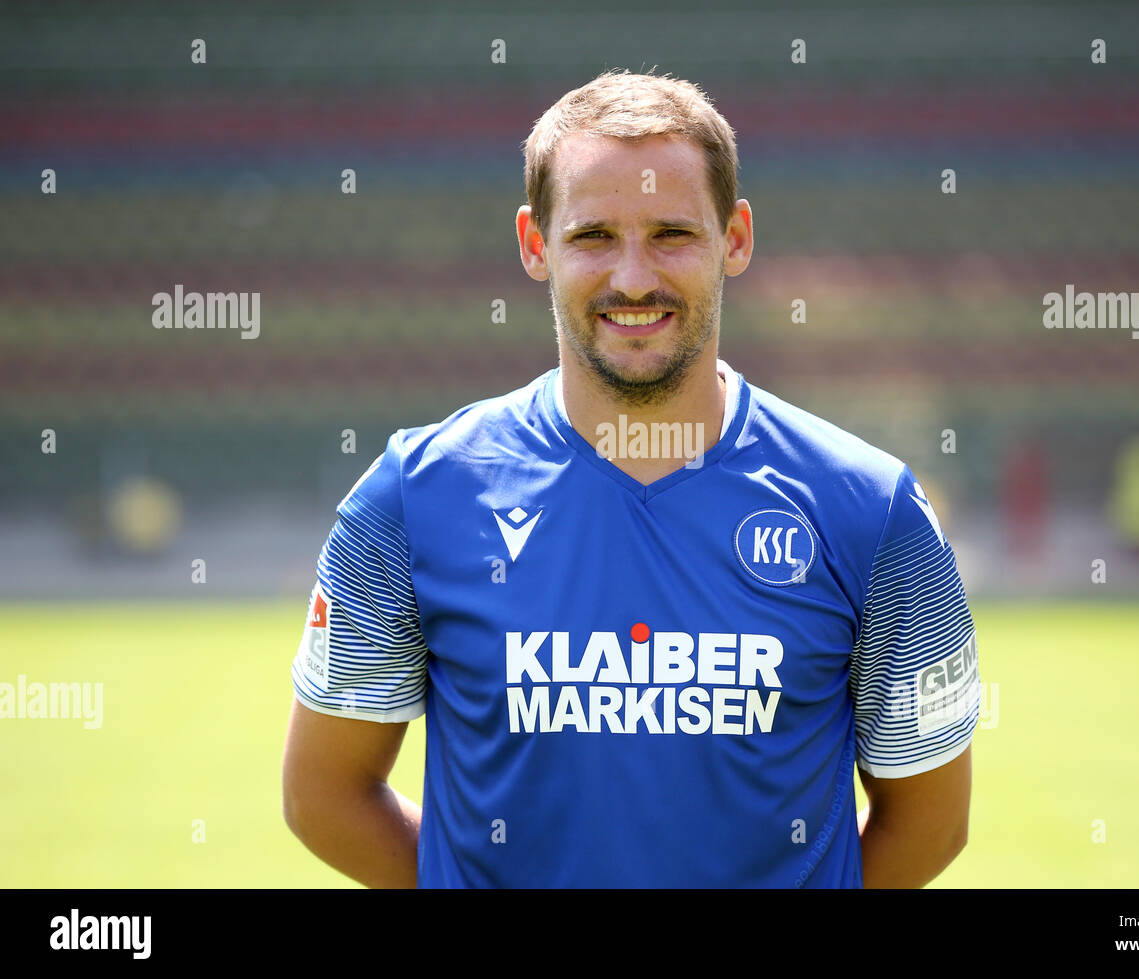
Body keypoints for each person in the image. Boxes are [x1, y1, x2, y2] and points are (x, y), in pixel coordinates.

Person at [281, 69, 978, 888]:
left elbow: (931, 821)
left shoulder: (871, 509)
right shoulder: (411, 497)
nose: (635, 278)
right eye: (594, 236)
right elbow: (324, 793)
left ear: (737, 237)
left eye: (672, 233)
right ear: (535, 245)